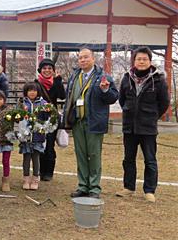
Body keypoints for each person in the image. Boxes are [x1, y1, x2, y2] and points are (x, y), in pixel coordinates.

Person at [63, 47, 118, 199]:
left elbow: (113, 97)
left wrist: (106, 90)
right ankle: (83, 186)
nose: (82, 60)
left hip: (94, 122)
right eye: (80, 58)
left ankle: (94, 187)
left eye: (86, 57)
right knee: (80, 155)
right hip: (77, 122)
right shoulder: (74, 76)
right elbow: (69, 101)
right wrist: (66, 123)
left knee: (93, 155)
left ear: (94, 59)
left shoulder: (103, 76)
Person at [116, 46, 170, 203]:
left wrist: (152, 116)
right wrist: (129, 112)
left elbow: (164, 102)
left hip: (148, 126)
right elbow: (122, 99)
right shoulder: (127, 77)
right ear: (134, 61)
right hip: (129, 125)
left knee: (150, 159)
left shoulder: (158, 79)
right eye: (138, 59)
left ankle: (149, 190)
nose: (141, 61)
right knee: (128, 158)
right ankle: (129, 187)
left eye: (144, 59)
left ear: (150, 61)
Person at [34, 58, 66, 181]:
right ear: (40, 70)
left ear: (52, 70)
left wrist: (58, 81)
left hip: (52, 119)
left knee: (50, 146)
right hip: (39, 118)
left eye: (49, 68)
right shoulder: (36, 83)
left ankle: (49, 172)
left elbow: (62, 96)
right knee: (39, 144)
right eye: (44, 68)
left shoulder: (55, 82)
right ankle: (40, 170)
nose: (47, 70)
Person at [18, 82, 47, 190]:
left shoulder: (42, 102)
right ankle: (26, 179)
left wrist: (47, 109)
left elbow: (46, 117)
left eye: (34, 90)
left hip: (37, 135)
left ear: (38, 92)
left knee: (36, 158)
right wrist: (22, 110)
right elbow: (17, 117)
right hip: (25, 136)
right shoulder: (22, 102)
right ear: (26, 92)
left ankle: (35, 179)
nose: (32, 93)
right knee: (26, 158)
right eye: (29, 90)